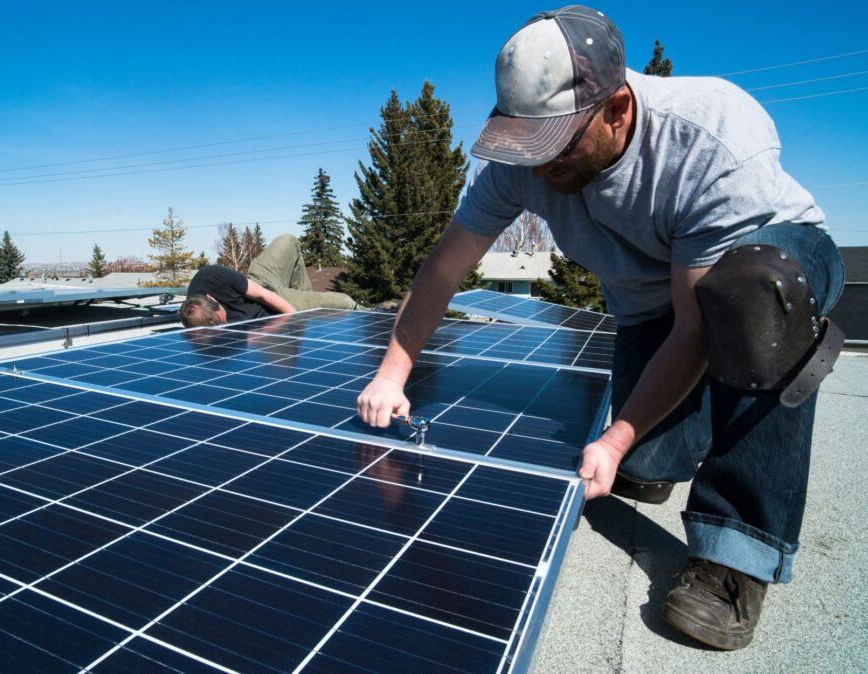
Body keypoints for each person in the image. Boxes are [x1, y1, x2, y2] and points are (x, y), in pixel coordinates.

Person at [356, 5, 845, 651]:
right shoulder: (518, 163)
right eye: (527, 146)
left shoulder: (708, 131)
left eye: (555, 146)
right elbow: (443, 271)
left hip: (765, 272)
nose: (538, 169)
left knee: (751, 303)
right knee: (647, 463)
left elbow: (696, 327)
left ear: (616, 109)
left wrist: (612, 439)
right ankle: (674, 436)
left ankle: (738, 555)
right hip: (649, 304)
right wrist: (392, 374)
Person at [180, 234, 358, 326]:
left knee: (289, 240)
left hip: (263, 286)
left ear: (212, 298)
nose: (226, 324)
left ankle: (304, 296)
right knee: (344, 302)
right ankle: (378, 311)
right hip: (270, 315)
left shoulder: (211, 276)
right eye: (222, 325)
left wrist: (297, 321)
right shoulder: (197, 324)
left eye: (224, 318)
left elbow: (264, 295)